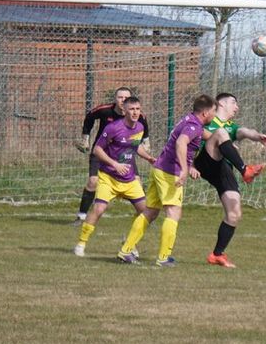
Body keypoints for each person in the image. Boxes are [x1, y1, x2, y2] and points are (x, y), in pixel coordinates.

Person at [118, 94, 217, 267]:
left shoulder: (190, 120)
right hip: (170, 172)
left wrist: (225, 139)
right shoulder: (193, 125)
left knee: (150, 212)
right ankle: (163, 258)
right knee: (173, 213)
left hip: (159, 168)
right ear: (206, 113)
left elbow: (205, 135)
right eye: (214, 111)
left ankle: (126, 251)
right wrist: (185, 169)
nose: (215, 115)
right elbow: (181, 143)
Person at [73, 96, 156, 262]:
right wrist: (115, 164)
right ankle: (81, 244)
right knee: (99, 209)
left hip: (129, 179)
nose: (135, 112)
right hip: (109, 177)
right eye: (131, 109)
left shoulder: (140, 127)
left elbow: (136, 146)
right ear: (124, 110)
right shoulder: (113, 128)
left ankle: (129, 242)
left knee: (148, 212)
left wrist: (148, 158)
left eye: (138, 109)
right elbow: (97, 150)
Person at [194, 93, 266, 268]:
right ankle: (245, 170)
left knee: (234, 213)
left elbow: (245, 132)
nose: (237, 107)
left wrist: (258, 136)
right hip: (205, 162)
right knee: (221, 133)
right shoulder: (207, 119)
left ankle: (216, 255)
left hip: (222, 168)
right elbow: (187, 140)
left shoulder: (231, 126)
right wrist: (189, 165)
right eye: (233, 103)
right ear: (221, 104)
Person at [73, 87, 150, 225]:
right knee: (93, 181)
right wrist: (85, 137)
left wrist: (146, 143)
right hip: (101, 152)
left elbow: (144, 128)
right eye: (120, 97)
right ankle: (81, 216)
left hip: (124, 155)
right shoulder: (105, 110)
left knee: (137, 182)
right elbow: (89, 117)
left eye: (126, 98)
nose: (123, 100)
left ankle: (143, 217)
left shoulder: (137, 114)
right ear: (115, 99)